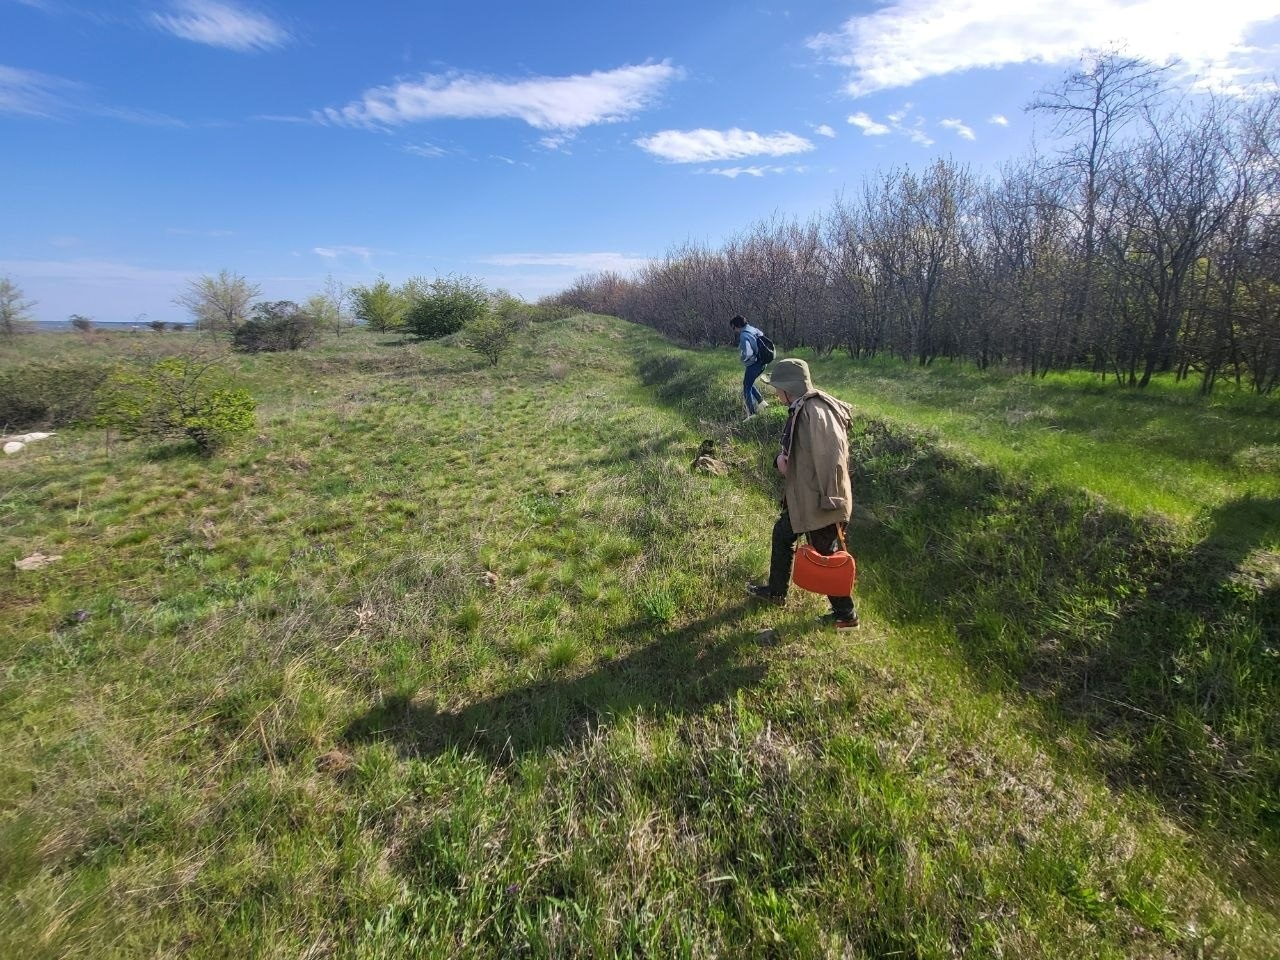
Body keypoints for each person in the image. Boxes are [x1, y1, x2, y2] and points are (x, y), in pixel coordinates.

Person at [746, 357, 859, 630]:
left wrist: (831, 499)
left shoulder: (815, 412)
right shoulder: (806, 406)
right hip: (808, 497)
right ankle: (776, 593)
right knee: (783, 533)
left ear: (789, 388)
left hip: (821, 500)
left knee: (826, 555)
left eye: (777, 387)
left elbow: (832, 457)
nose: (775, 392)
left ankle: (846, 615)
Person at [730, 315, 769, 417]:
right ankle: (762, 403)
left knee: (746, 387)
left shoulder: (744, 335)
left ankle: (752, 414)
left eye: (733, 327)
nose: (734, 330)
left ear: (737, 325)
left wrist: (742, 358)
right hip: (763, 362)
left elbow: (748, 353)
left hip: (754, 364)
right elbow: (762, 336)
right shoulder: (753, 329)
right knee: (749, 383)